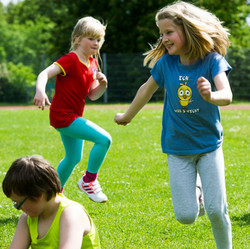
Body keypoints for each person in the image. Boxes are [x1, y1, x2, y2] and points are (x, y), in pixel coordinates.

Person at [114, 1, 232, 248]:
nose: (164, 38)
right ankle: (197, 194)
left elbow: (227, 95)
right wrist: (127, 116)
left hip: (209, 146)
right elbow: (146, 90)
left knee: (216, 210)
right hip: (177, 149)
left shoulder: (212, 60)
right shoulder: (166, 64)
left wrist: (211, 96)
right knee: (186, 216)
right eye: (161, 33)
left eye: (169, 32)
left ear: (187, 30)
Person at [33, 16, 112, 203]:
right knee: (104, 139)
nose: (96, 43)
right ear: (77, 39)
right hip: (63, 116)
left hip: (74, 116)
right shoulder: (69, 60)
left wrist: (103, 85)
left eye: (99, 39)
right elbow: (44, 73)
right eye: (91, 38)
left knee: (73, 157)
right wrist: (40, 90)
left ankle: (51, 195)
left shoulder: (93, 62)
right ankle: (89, 181)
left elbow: (92, 95)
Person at [2, 155, 101, 249]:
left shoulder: (71, 214)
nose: (18, 208)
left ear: (37, 195)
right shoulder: (27, 218)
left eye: (18, 203)